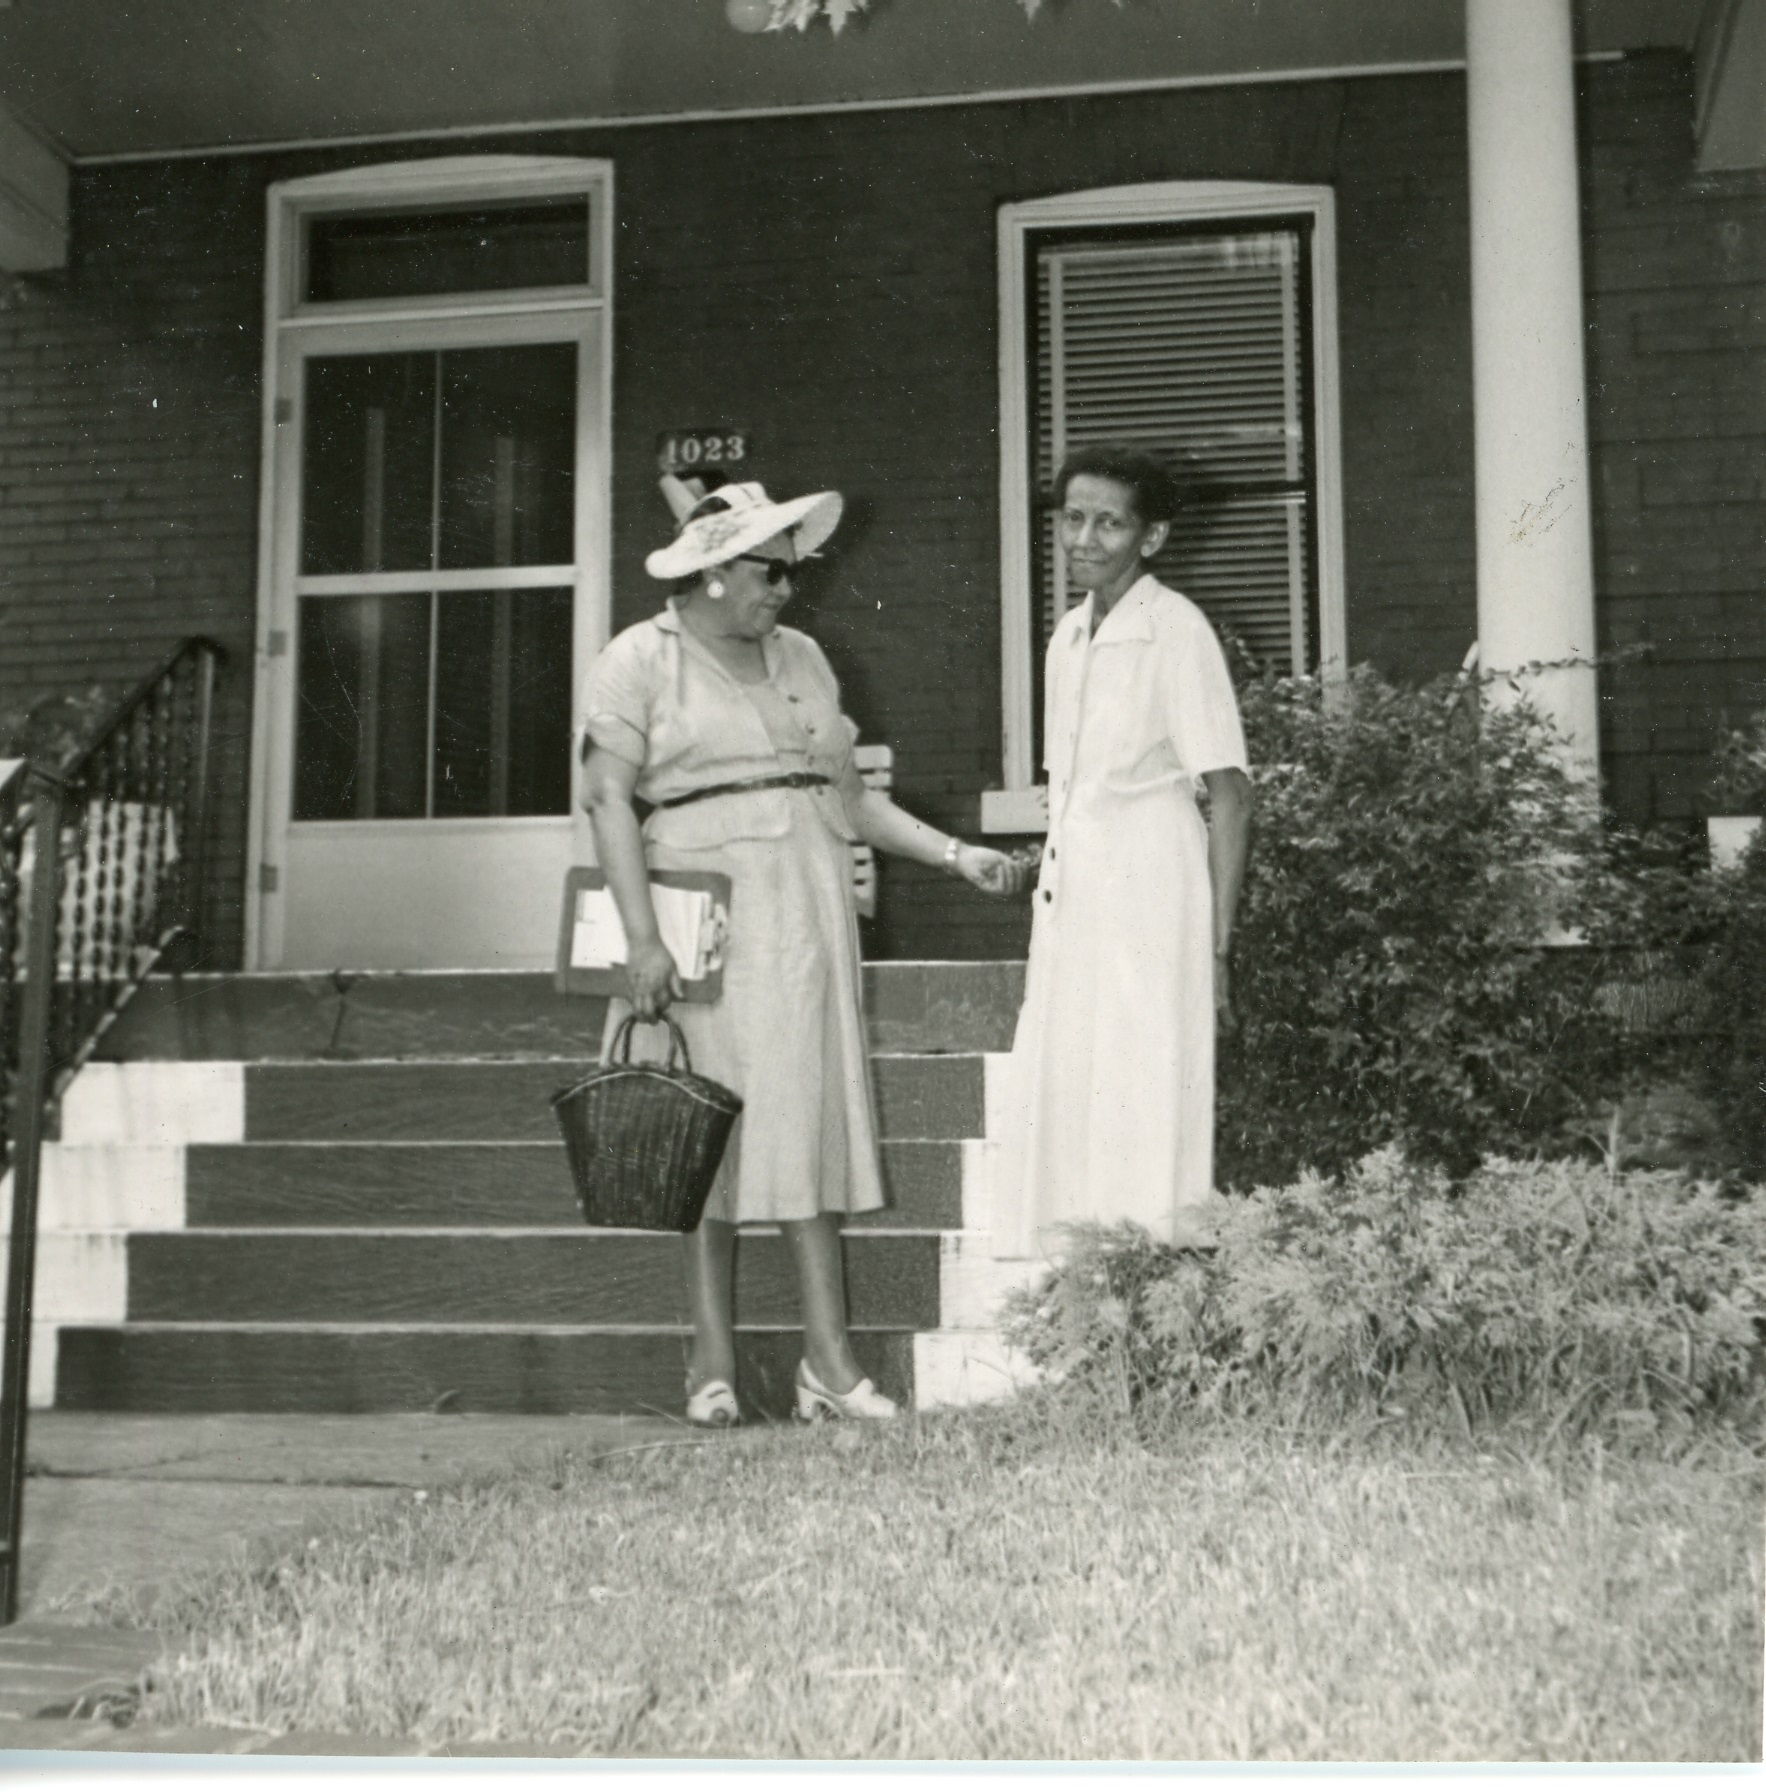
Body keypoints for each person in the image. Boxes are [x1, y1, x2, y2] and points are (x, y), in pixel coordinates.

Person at [580, 476, 1022, 1426]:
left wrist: (956, 854)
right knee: (697, 1137)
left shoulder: (808, 660)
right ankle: (711, 1368)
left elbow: (848, 798)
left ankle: (831, 1366)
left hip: (806, 915)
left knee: (806, 1124)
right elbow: (608, 799)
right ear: (708, 575)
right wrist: (642, 940)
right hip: (699, 914)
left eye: (790, 570)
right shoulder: (636, 661)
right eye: (766, 571)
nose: (786, 587)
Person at [995, 444, 1253, 1261]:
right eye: (1074, 518)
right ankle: (1085, 1276)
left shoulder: (1175, 629)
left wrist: (1217, 944)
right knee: (1075, 1081)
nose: (1085, 538)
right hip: (1077, 893)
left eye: (1110, 522)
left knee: (1143, 1085)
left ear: (1153, 537)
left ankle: (1148, 1274)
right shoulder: (1069, 635)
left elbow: (1232, 793)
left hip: (1155, 888)